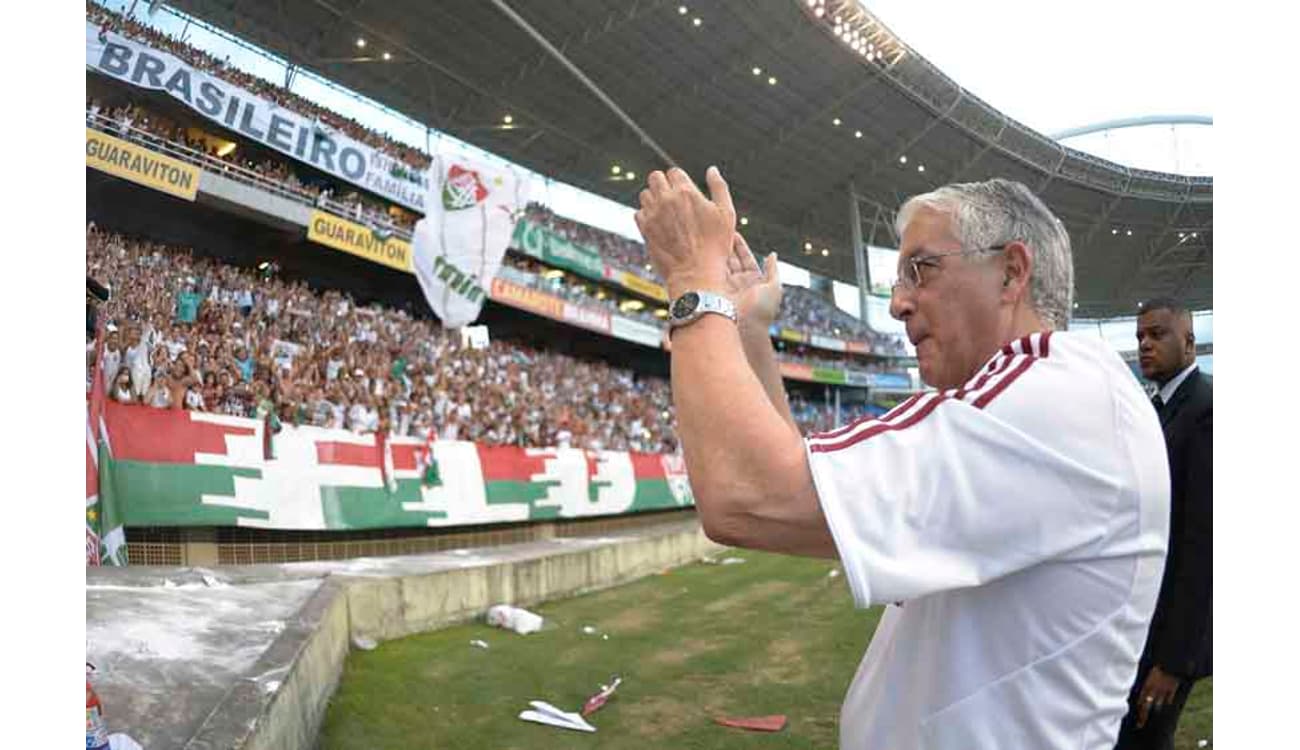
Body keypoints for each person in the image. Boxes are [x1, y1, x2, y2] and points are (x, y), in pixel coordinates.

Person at [634, 169, 1170, 748]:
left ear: (1011, 272)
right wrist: (747, 333)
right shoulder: (1048, 401)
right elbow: (802, 496)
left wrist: (693, 282)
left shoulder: (1056, 397)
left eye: (921, 269)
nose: (896, 303)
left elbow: (749, 496)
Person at [1114, 299, 1213, 749]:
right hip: (1142, 620)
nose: (1144, 346)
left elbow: (1205, 545)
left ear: (1189, 343)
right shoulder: (1154, 410)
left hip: (1170, 636)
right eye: (1139, 338)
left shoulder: (1208, 410)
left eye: (1157, 335)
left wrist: (1173, 662)